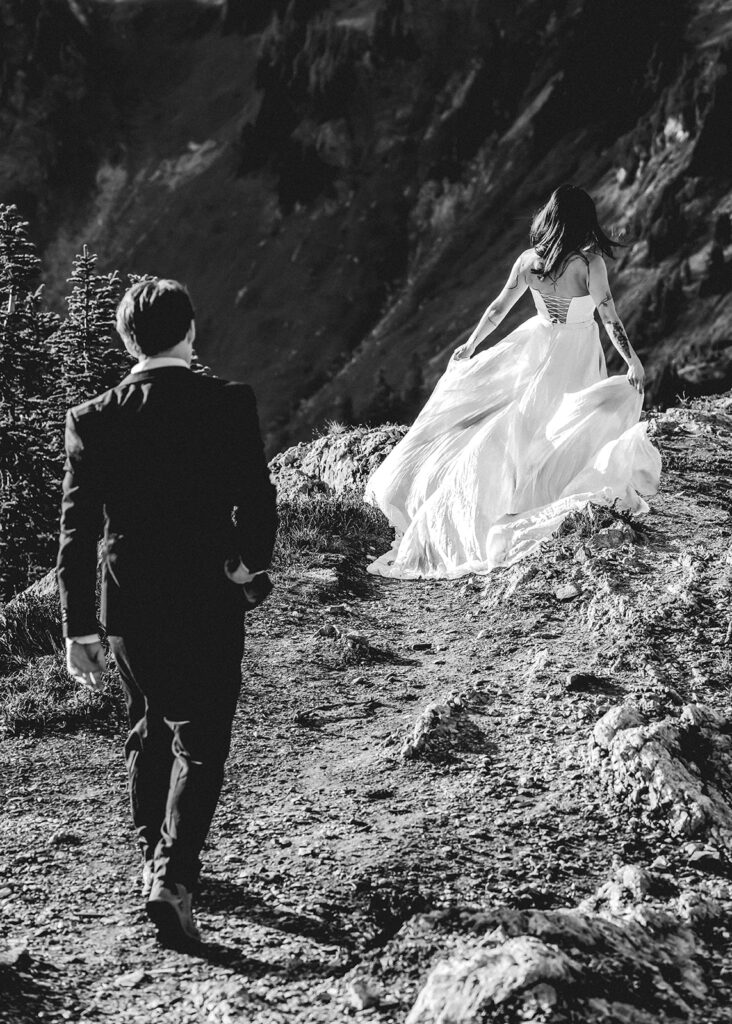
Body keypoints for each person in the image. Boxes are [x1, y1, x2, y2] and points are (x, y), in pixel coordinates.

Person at [57, 279, 278, 945]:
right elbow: (258, 499)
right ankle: (174, 875)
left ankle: (155, 853)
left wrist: (78, 628)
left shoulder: (91, 417)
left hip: (128, 604)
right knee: (203, 741)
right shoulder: (228, 402)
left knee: (149, 726)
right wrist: (247, 562)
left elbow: (76, 534)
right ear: (190, 333)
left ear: (128, 341)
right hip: (209, 594)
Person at [365, 184, 661, 579]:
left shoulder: (528, 262)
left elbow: (498, 308)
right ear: (583, 222)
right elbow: (608, 316)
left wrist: (470, 345)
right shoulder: (589, 265)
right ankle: (543, 493)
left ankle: (513, 493)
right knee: (564, 424)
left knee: (527, 423)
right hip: (575, 349)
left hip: (536, 344)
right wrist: (632, 360)